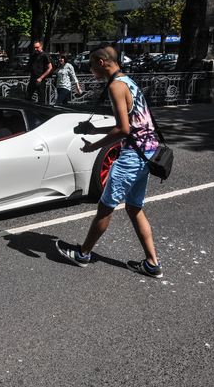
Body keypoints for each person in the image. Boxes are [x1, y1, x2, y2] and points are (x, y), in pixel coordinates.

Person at [55, 44, 163, 278]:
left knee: (105, 207)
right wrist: (94, 130)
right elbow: (132, 125)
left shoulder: (115, 86)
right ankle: (152, 263)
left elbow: (123, 130)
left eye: (92, 66)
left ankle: (83, 254)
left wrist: (93, 145)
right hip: (147, 152)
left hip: (133, 156)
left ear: (102, 63)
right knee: (134, 207)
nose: (91, 70)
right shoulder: (128, 82)